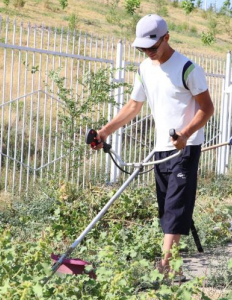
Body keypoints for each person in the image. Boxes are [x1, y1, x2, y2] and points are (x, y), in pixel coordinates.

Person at [91, 14, 214, 278]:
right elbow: (133, 106)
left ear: (166, 38)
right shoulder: (145, 69)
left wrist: (185, 133)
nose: (148, 53)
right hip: (161, 149)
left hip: (186, 146)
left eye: (153, 47)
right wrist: (104, 132)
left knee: (175, 206)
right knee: (165, 209)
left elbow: (207, 108)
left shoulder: (187, 69)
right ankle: (175, 267)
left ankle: (166, 268)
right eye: (143, 49)